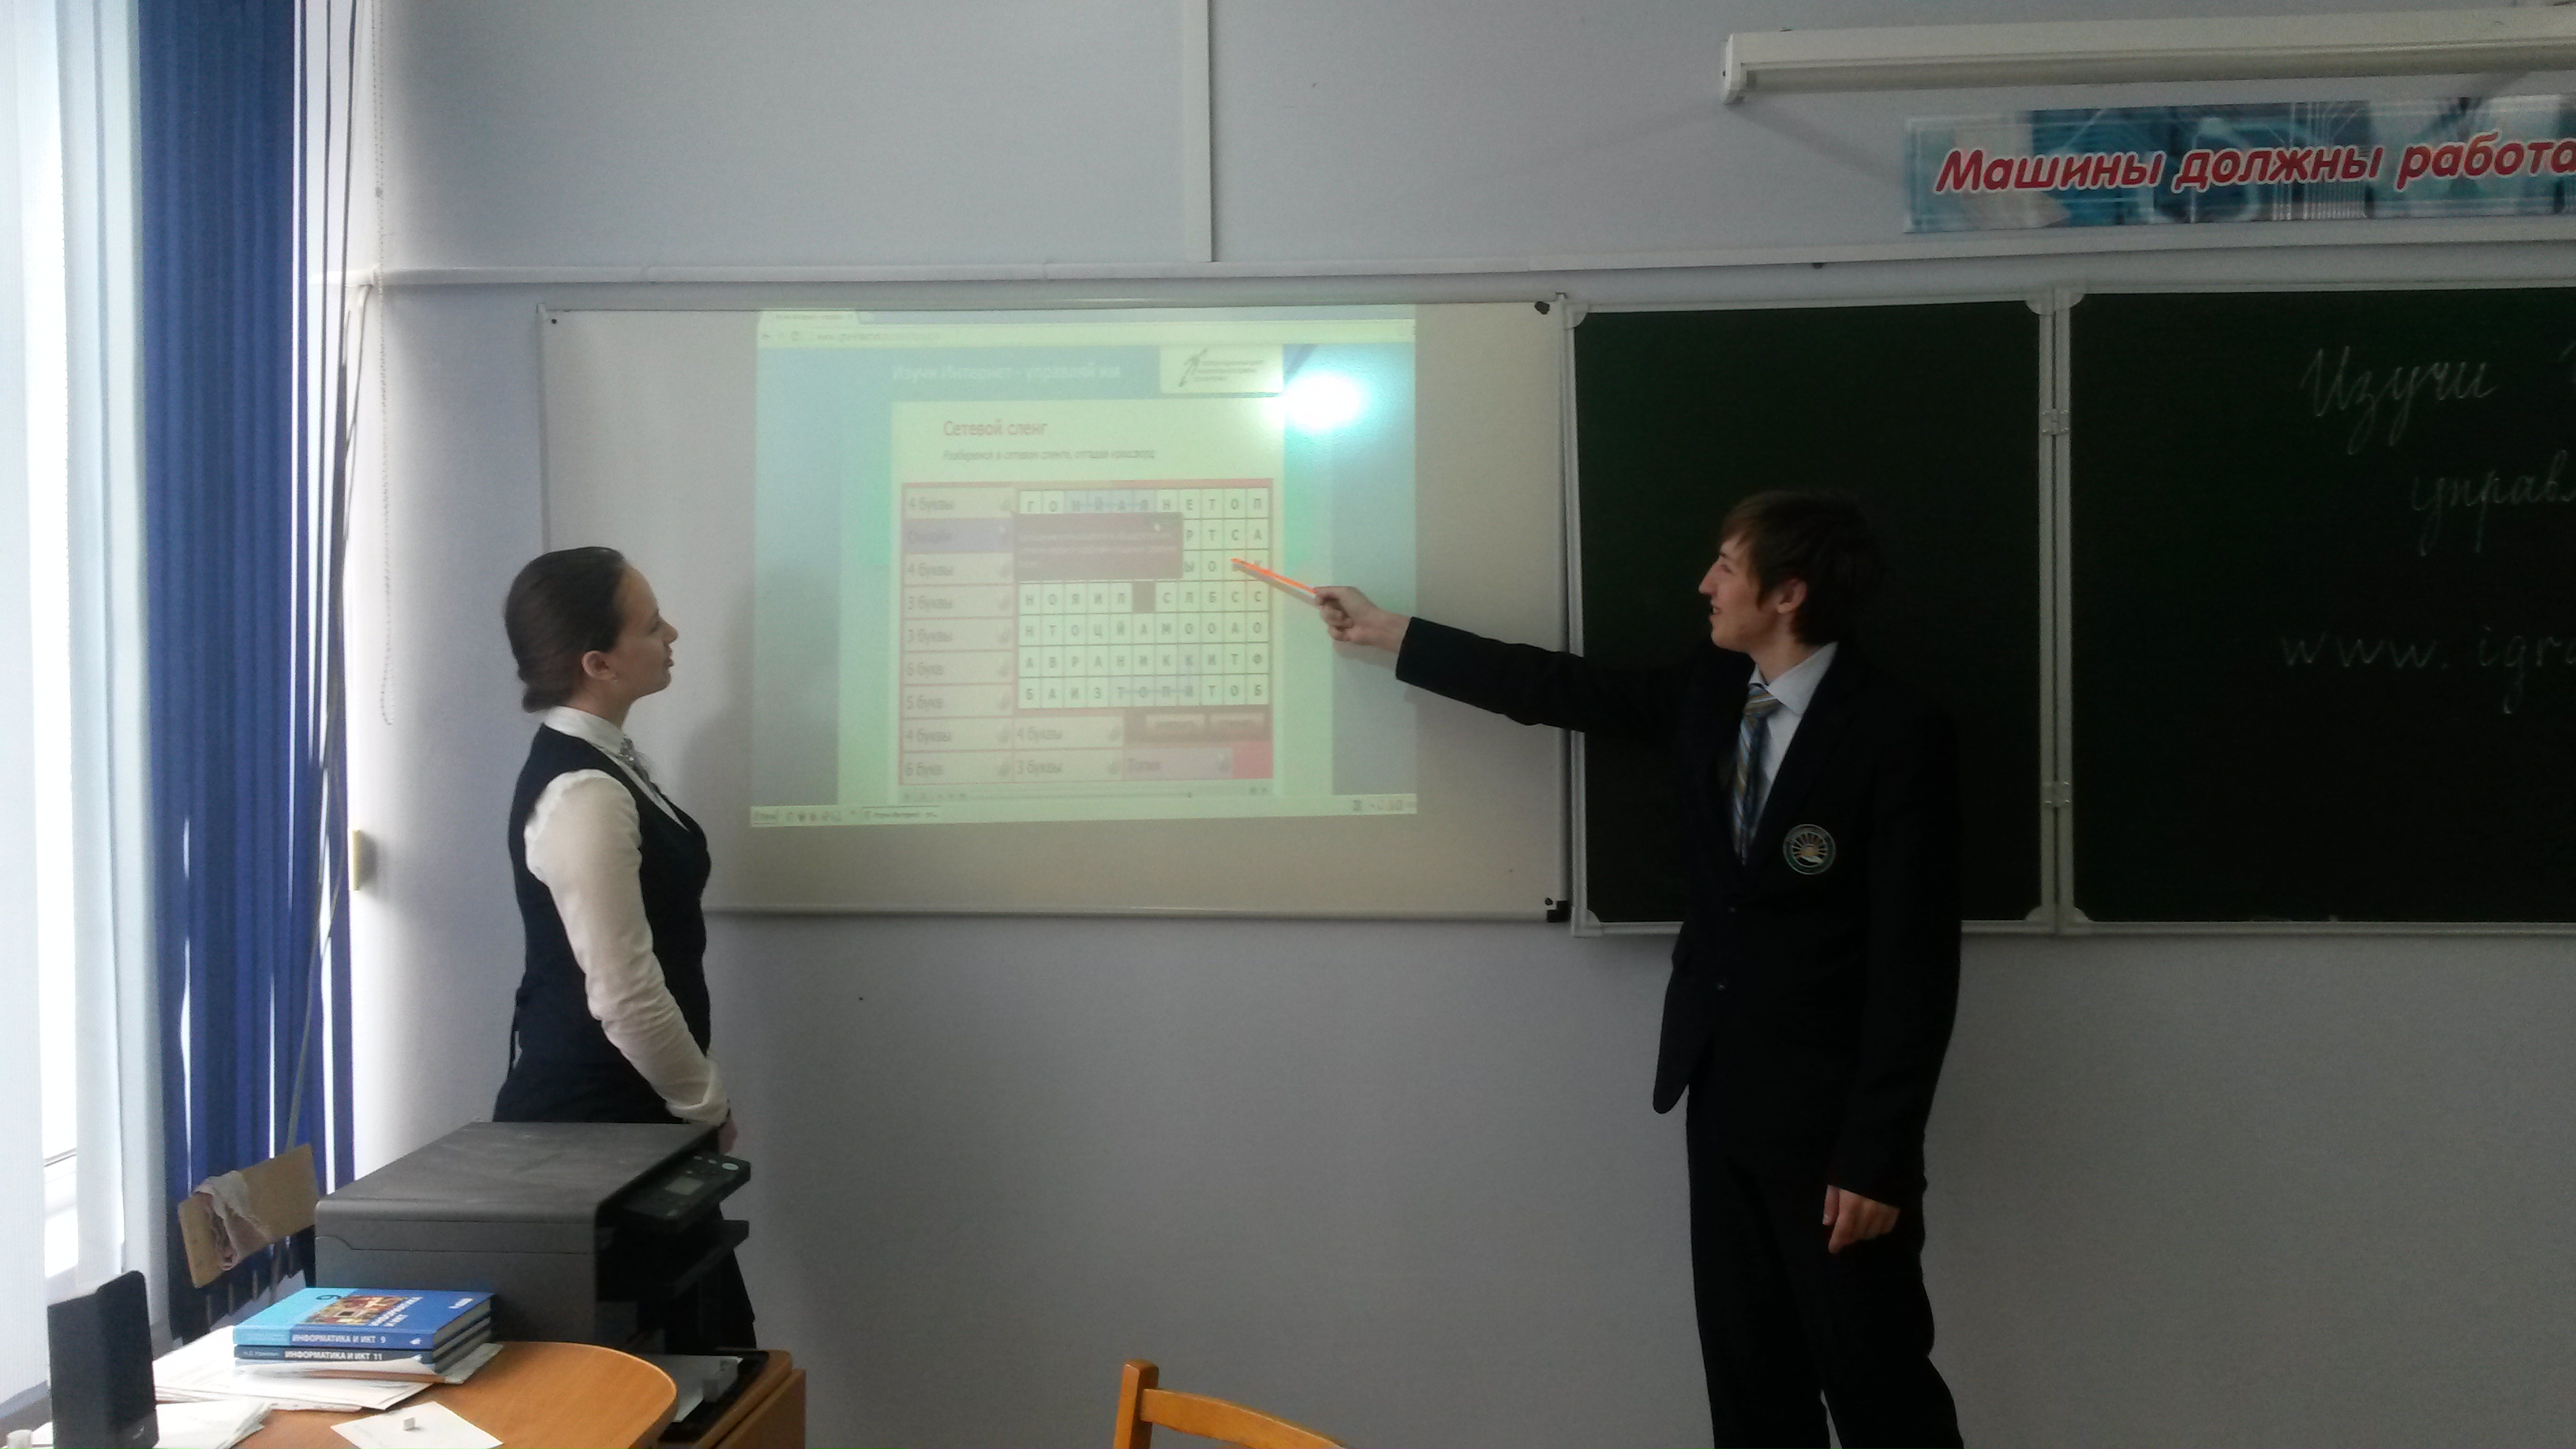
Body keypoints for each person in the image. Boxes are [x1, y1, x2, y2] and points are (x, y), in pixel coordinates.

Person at [1314, 490, 1960, 1449]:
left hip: (1832, 1125)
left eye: (1727, 567)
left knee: (1877, 1381)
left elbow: (1917, 964)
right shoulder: (1711, 690)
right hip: (1721, 1090)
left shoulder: (1895, 730)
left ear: (1788, 593)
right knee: (1750, 1379)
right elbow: (1558, 688)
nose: (1705, 584)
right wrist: (1390, 631)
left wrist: (1880, 1155)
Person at [496, 546, 754, 1349]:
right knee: (670, 1368)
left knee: (714, 1364)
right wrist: (705, 1107)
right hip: (593, 1133)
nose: (672, 634)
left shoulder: (609, 762)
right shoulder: (583, 790)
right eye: (651, 624)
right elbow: (624, 990)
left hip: (632, 1119)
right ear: (597, 663)